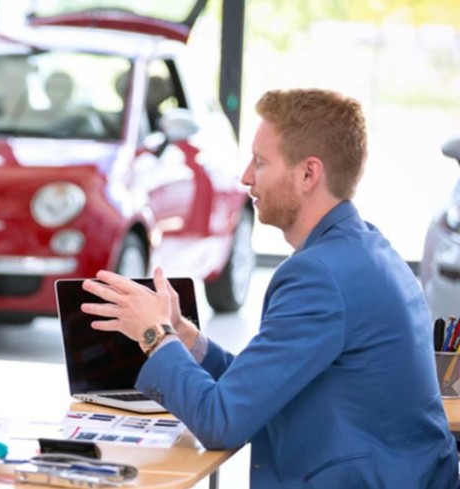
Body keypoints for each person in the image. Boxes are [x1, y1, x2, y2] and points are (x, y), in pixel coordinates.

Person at [82, 88, 459, 488]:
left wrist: (154, 335)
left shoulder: (319, 276)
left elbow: (221, 421)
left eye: (260, 163)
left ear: (309, 174)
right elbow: (257, 388)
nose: (246, 177)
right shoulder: (365, 249)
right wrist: (185, 336)